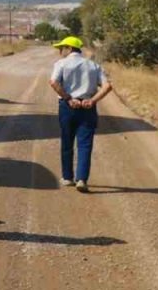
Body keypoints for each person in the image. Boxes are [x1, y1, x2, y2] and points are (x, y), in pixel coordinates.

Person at [48, 36, 113, 193]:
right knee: (85, 144)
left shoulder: (61, 64)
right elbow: (107, 86)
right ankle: (82, 179)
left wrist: (68, 98)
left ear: (70, 48)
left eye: (61, 48)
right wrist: (93, 100)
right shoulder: (93, 66)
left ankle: (67, 177)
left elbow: (53, 82)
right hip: (87, 107)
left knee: (67, 142)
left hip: (67, 107)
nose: (59, 51)